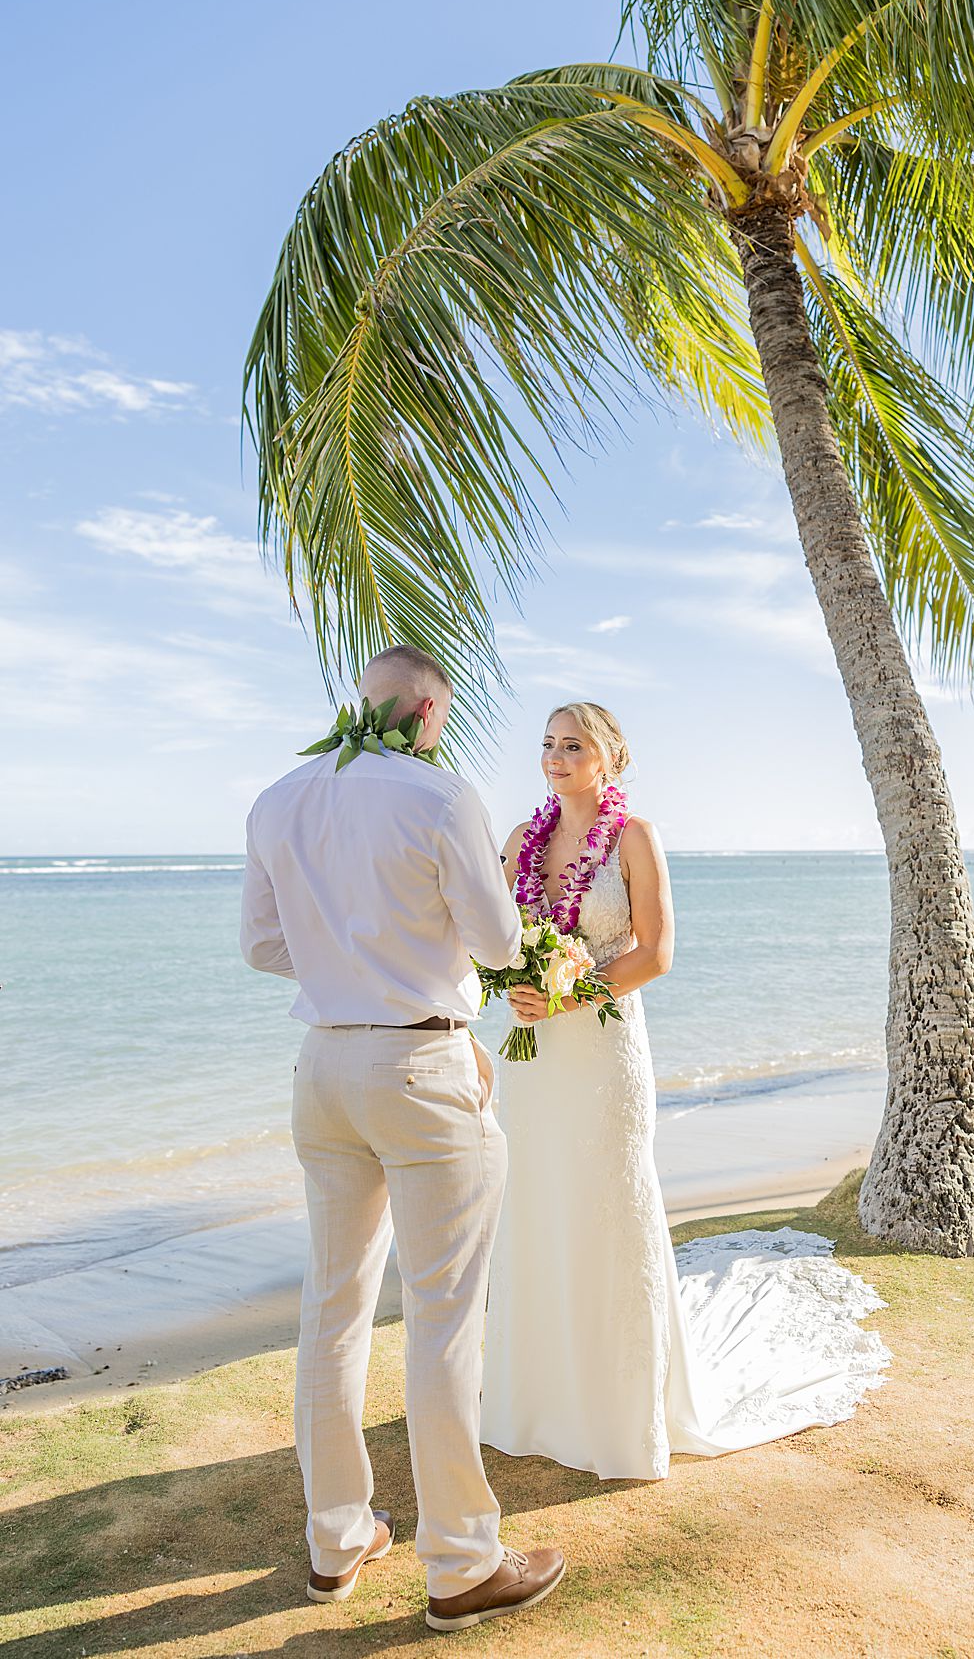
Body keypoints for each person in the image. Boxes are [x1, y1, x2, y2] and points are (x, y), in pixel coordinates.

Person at [239, 643, 565, 1633]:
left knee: (332, 1309)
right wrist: (403, 951)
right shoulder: (440, 797)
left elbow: (260, 944)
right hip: (420, 1069)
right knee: (442, 1317)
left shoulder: (278, 799)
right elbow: (501, 941)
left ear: (360, 705)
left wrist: (345, 954)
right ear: (428, 713)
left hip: (324, 1069)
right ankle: (463, 1561)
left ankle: (337, 1538)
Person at [479, 701, 892, 1480]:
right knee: (537, 1202)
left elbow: (657, 952)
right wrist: (509, 987)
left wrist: (566, 993)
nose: (556, 757)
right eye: (548, 745)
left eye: (573, 746)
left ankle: (621, 1406)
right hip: (534, 1061)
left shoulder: (635, 839)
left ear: (609, 758)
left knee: (608, 1201)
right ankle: (534, 1396)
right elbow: (491, 936)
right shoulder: (517, 842)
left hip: (602, 1050)